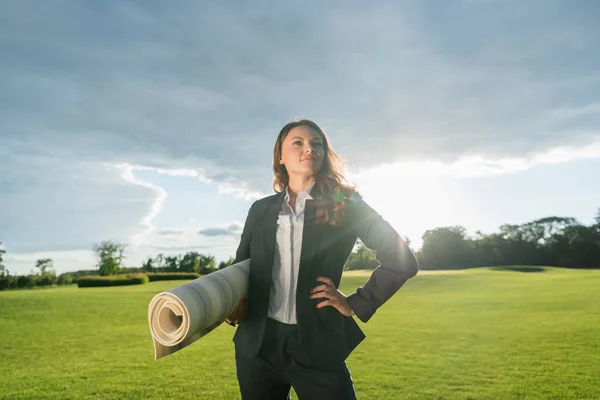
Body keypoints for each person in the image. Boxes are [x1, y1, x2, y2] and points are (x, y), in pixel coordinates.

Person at [226, 119, 419, 400]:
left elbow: (402, 259)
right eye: (298, 142)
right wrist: (232, 301)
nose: (309, 149)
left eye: (317, 144)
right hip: (257, 348)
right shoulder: (260, 210)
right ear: (280, 155)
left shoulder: (346, 202)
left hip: (317, 346)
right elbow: (241, 267)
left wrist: (355, 302)